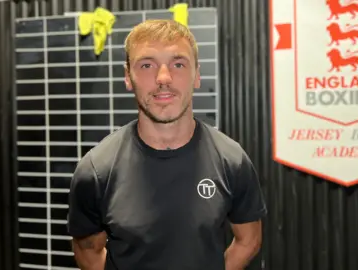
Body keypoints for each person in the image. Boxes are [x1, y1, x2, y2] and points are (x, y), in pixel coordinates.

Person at [66, 19, 267, 270]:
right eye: (147, 64)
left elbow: (249, 240)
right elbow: (88, 250)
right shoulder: (96, 171)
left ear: (197, 75)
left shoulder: (232, 160)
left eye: (178, 64)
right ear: (128, 77)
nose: (163, 77)